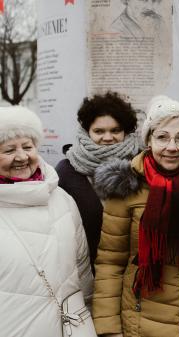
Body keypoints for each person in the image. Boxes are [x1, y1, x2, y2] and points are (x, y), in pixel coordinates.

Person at [92, 95, 179, 337]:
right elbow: (110, 262)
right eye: (162, 137)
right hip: (143, 320)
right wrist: (109, 328)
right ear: (148, 140)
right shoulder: (127, 187)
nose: (171, 147)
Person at [0, 106, 94, 337]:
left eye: (28, 147)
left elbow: (82, 269)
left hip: (75, 328)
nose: (21, 157)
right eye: (9, 150)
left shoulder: (62, 199)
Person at [56, 91, 139, 270]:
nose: (108, 138)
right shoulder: (67, 171)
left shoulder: (141, 164)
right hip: (89, 271)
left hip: (139, 270)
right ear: (87, 131)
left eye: (115, 130)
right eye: (99, 131)